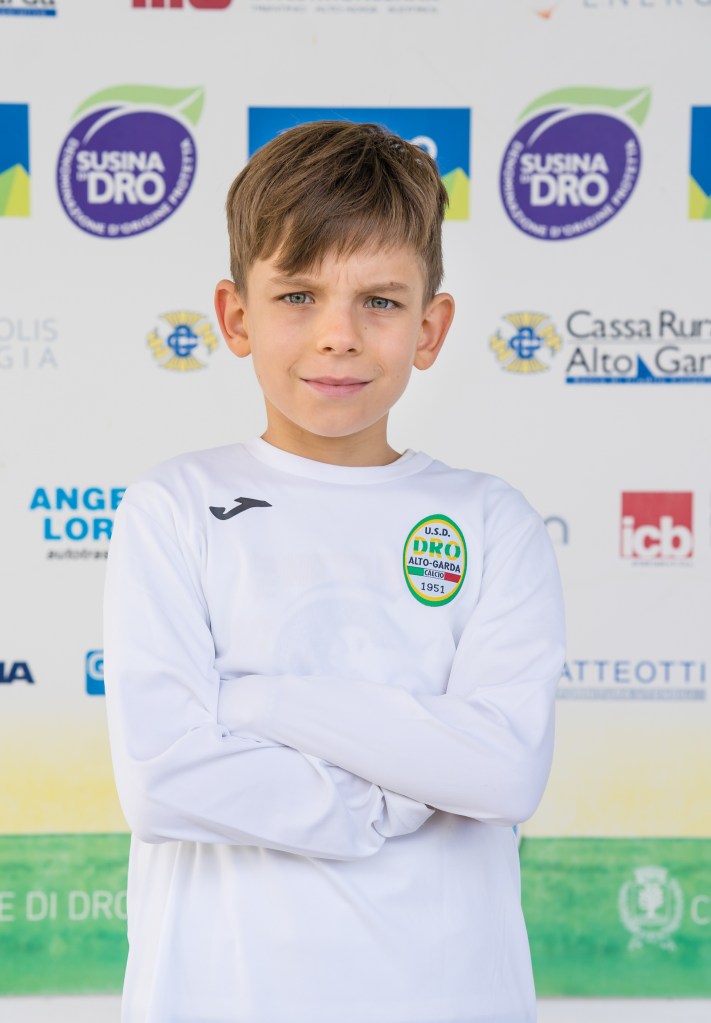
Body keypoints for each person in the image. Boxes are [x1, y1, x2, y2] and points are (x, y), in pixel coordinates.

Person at [104, 120, 565, 1023]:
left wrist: (251, 702)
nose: (338, 335)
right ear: (236, 316)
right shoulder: (175, 506)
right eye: (298, 295)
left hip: (447, 997)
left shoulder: (492, 521)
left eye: (380, 301)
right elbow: (163, 779)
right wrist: (395, 795)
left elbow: (504, 772)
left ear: (430, 327)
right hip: (220, 997)